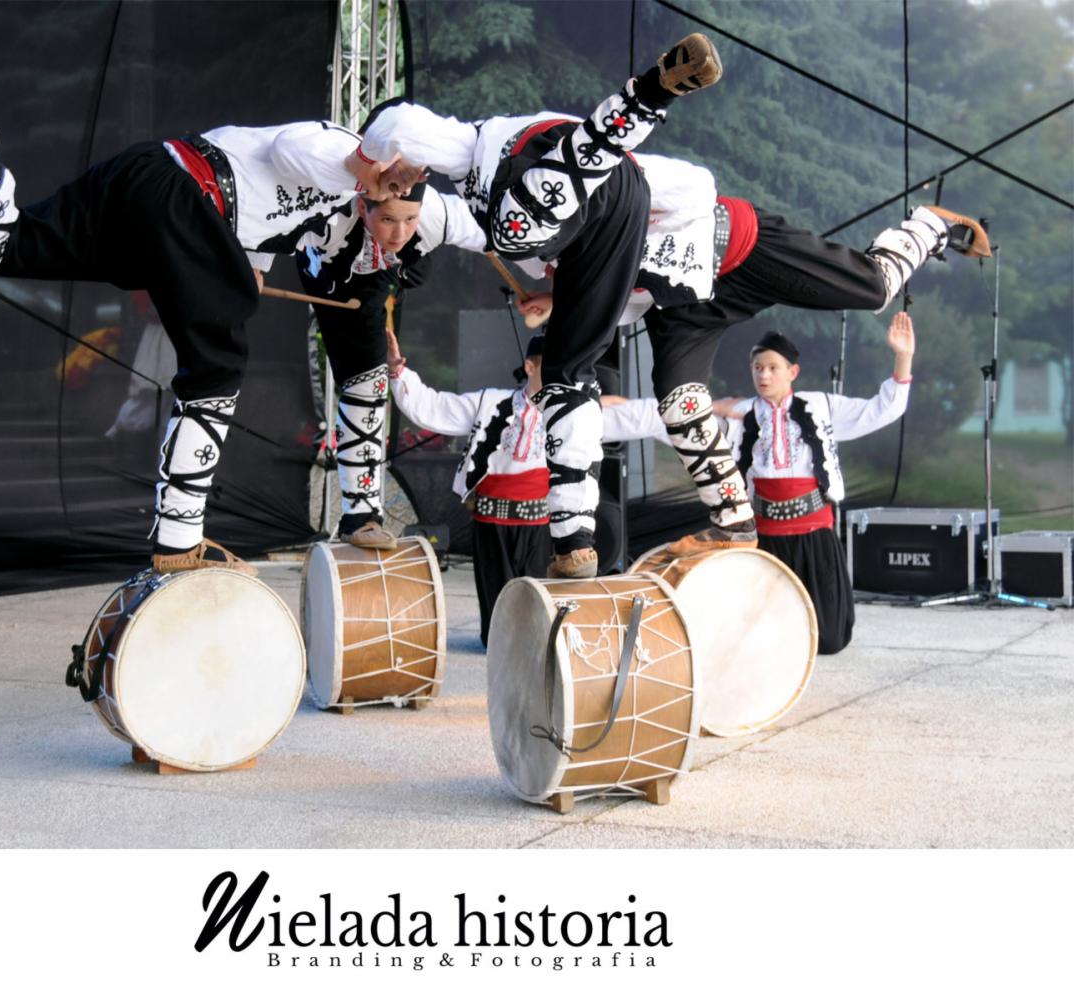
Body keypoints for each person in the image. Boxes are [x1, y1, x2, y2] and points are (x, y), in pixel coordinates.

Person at [0, 79, 423, 573]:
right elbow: (292, 146)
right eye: (398, 184)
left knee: (3, 248)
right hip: (186, 196)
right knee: (219, 360)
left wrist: (246, 269)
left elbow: (264, 227)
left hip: (151, 176)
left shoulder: (331, 211)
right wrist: (364, 168)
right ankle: (178, 540)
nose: (399, 195)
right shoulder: (339, 149)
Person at [357, 33, 724, 577]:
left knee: (514, 227)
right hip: (607, 216)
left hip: (572, 172)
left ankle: (649, 93)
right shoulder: (475, 221)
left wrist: (369, 161)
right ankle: (574, 540)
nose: (404, 195)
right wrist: (556, 296)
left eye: (405, 200)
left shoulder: (465, 147)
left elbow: (395, 124)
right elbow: (436, 228)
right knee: (567, 376)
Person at [518, 152, 986, 560]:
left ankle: (929, 224)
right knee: (679, 403)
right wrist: (561, 299)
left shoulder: (608, 179)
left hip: (741, 250)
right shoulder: (553, 256)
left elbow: (696, 187)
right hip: (682, 303)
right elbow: (624, 299)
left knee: (875, 287)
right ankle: (734, 521)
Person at [602, 312, 916, 655]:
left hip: (814, 531)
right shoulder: (738, 413)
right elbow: (671, 420)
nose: (763, 375)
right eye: (757, 368)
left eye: (772, 367)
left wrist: (903, 357)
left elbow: (882, 410)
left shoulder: (822, 406)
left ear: (792, 372)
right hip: (765, 533)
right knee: (762, 637)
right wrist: (615, 409)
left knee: (830, 638)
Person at [388, 330, 667, 645]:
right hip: (491, 521)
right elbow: (434, 408)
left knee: (539, 610)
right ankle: (502, 657)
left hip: (540, 524)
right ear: (531, 367)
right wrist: (399, 373)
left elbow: (635, 417)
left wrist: (683, 408)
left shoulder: (574, 414)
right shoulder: (490, 402)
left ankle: (536, 653)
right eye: (548, 367)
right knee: (496, 623)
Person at [295, 173, 486, 550]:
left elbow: (501, 234)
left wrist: (549, 269)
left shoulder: (441, 214)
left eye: (409, 219)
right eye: (388, 219)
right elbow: (267, 224)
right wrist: (253, 265)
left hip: (377, 276)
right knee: (363, 382)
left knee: (372, 384)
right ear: (365, 206)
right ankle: (359, 514)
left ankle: (362, 519)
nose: (400, 231)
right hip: (331, 271)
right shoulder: (327, 212)